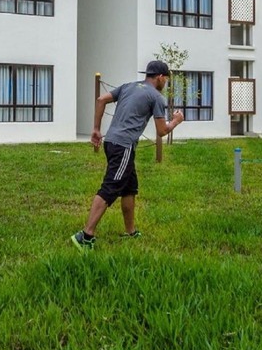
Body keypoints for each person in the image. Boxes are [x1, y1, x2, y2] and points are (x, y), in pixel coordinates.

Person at [71, 60, 184, 251]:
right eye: (166, 80)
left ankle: (130, 232)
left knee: (130, 187)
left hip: (112, 142)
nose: (165, 83)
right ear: (160, 78)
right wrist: (176, 121)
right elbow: (162, 130)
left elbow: (101, 100)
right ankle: (86, 236)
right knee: (111, 187)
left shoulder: (128, 87)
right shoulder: (156, 97)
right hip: (123, 146)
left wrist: (96, 129)